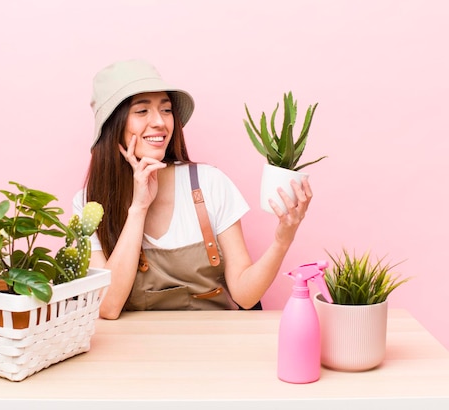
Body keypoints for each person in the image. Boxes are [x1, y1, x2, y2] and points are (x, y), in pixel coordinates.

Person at [73, 59, 312, 320]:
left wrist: (282, 240)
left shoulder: (209, 183)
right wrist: (138, 208)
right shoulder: (89, 205)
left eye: (166, 110)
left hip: (214, 346)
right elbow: (107, 307)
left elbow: (245, 295)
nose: (160, 122)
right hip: (136, 352)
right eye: (142, 111)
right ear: (112, 126)